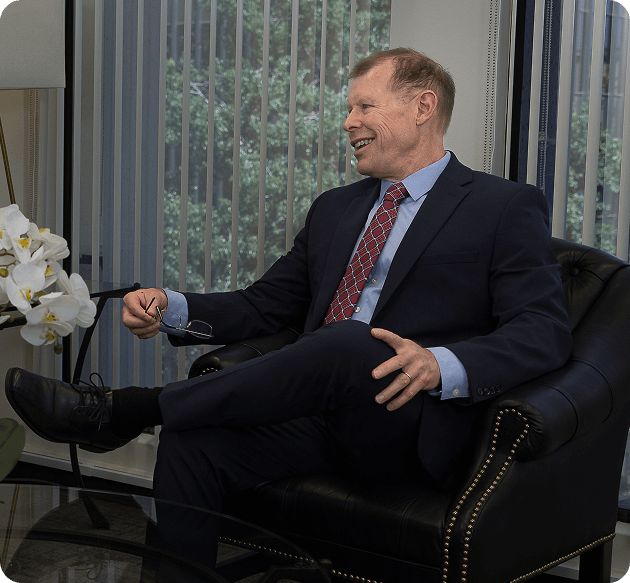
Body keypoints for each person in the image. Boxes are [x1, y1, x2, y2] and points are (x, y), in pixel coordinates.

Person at [6, 48, 572, 554]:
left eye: (364, 106)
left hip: (407, 423)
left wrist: (438, 364)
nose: (348, 122)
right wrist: (168, 304)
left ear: (423, 107)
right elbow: (264, 306)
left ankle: (126, 409)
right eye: (348, 110)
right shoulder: (336, 208)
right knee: (191, 440)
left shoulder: (502, 206)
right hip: (312, 415)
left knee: (351, 341)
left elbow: (542, 329)